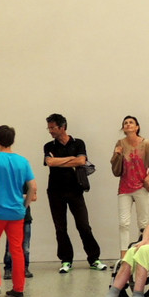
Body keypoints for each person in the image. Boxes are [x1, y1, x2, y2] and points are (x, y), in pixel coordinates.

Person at [0, 125, 37, 297]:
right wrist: (24, 205)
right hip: (17, 213)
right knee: (17, 249)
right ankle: (18, 289)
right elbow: (33, 187)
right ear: (12, 140)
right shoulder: (23, 161)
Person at [44, 113, 105, 273]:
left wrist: (60, 161)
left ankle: (94, 258)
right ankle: (66, 260)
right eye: (49, 128)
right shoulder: (49, 146)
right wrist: (71, 159)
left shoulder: (78, 143)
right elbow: (50, 162)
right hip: (55, 192)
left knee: (83, 225)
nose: (50, 131)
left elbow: (81, 161)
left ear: (62, 127)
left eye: (52, 127)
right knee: (60, 228)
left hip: (75, 190)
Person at [109, 115, 149, 258]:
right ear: (123, 128)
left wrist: (148, 178)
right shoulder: (120, 143)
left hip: (141, 187)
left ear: (137, 127)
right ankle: (124, 257)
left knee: (143, 223)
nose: (128, 124)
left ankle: (139, 253)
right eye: (125, 123)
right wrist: (117, 154)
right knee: (123, 223)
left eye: (131, 122)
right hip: (124, 188)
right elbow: (114, 165)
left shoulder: (145, 143)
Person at [3, 198, 33, 279]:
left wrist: (18, 196)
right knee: (10, 246)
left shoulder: (26, 187)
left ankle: (25, 267)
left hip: (25, 217)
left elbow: (33, 197)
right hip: (12, 217)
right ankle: (8, 268)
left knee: (26, 246)